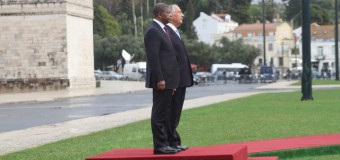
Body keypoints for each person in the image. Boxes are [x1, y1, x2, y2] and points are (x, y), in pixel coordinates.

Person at [144, 3, 180, 154]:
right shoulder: (153, 30)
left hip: (168, 79)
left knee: (165, 113)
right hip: (161, 80)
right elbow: (154, 57)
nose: (171, 15)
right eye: (168, 13)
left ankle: (166, 143)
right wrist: (160, 79)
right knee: (159, 114)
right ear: (159, 14)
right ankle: (159, 146)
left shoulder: (163, 30)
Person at [165, 4, 193, 152]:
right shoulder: (167, 32)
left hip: (181, 80)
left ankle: (173, 142)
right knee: (171, 113)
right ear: (171, 15)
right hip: (174, 81)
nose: (182, 15)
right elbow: (170, 59)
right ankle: (170, 142)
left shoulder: (174, 32)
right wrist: (172, 80)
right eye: (179, 12)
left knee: (175, 113)